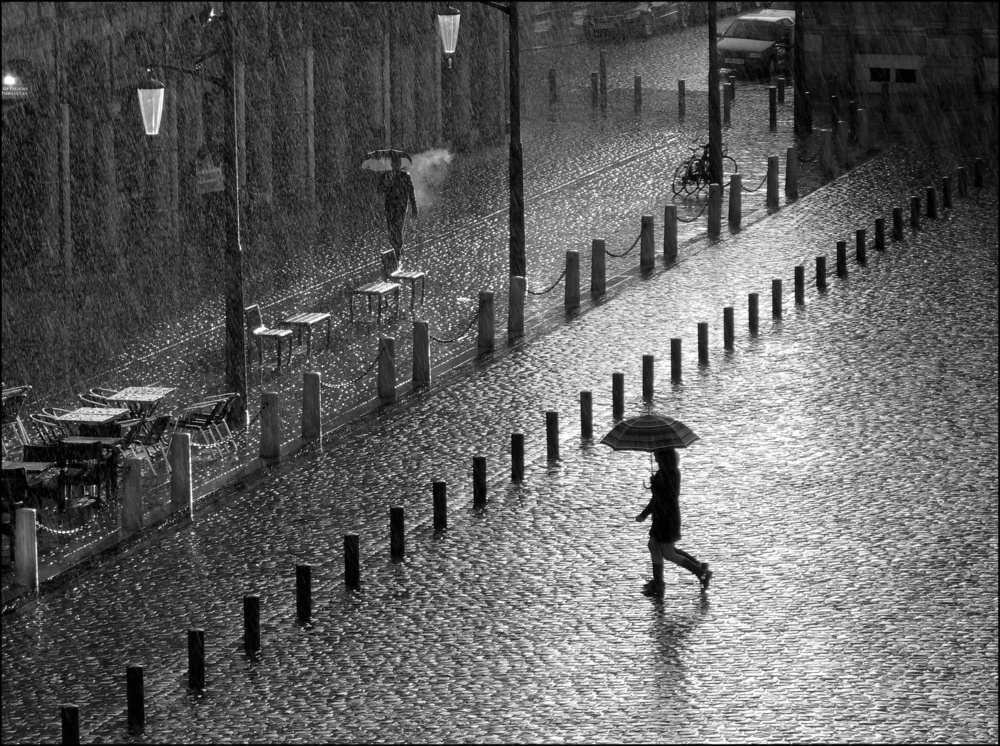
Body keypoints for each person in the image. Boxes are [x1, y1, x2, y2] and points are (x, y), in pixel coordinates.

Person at [635, 448, 712, 595]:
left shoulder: (672, 473)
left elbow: (670, 495)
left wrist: (656, 485)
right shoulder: (661, 472)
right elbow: (656, 498)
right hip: (660, 517)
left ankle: (701, 573)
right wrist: (644, 514)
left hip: (667, 518)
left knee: (668, 553)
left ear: (664, 457)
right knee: (653, 545)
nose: (655, 457)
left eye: (657, 454)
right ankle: (659, 583)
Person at [378, 152, 418, 264]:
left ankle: (398, 253)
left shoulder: (405, 176)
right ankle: (397, 249)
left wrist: (414, 208)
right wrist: (385, 182)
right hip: (389, 206)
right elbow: (380, 191)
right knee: (391, 230)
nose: (395, 165)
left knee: (398, 229)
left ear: (399, 164)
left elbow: (411, 193)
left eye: (397, 163)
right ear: (391, 164)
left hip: (400, 206)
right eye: (394, 163)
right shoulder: (386, 176)